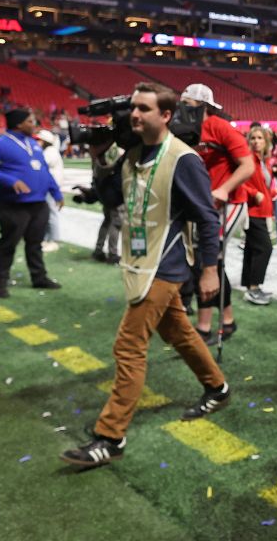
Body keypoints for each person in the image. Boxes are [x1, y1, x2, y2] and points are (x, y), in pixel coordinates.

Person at [62, 82, 230, 469]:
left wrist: (208, 270)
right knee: (179, 332)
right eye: (133, 107)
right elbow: (110, 198)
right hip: (140, 263)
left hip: (165, 266)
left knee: (128, 346)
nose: (134, 115)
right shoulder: (133, 154)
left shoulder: (183, 158)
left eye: (143, 108)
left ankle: (110, 437)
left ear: (166, 115)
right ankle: (217, 388)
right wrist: (100, 156)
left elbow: (207, 218)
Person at [180, 83, 254, 340]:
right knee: (209, 261)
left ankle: (204, 325)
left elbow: (247, 165)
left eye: (188, 105)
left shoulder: (220, 127)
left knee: (207, 260)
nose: (183, 110)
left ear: (203, 106)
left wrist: (224, 189)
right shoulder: (184, 130)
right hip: (204, 205)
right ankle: (227, 319)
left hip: (229, 202)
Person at [0, 108, 63, 298]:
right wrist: (11, 181)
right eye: (30, 121)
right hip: (12, 204)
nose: (33, 124)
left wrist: (56, 192)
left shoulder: (33, 144)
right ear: (19, 124)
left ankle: (39, 277)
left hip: (38, 203)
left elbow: (43, 170)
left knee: (35, 244)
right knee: (8, 244)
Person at [240, 126, 275, 305]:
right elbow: (239, 183)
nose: (256, 141)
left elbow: (265, 185)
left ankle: (249, 286)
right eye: (253, 138)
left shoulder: (264, 161)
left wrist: (273, 192)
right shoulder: (248, 160)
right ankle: (254, 287)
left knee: (252, 248)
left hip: (263, 210)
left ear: (266, 141)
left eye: (260, 138)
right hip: (253, 211)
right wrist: (254, 193)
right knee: (265, 248)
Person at [93, 144, 123, 264]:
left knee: (107, 222)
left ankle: (98, 250)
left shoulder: (100, 157)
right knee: (115, 225)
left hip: (105, 195)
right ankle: (113, 254)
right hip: (114, 197)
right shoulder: (116, 156)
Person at [36, 129, 65, 253]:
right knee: (46, 214)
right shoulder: (49, 151)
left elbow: (40, 166)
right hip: (48, 187)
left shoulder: (50, 152)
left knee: (51, 214)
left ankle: (54, 240)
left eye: (39, 140)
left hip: (51, 187)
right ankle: (47, 239)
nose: (37, 142)